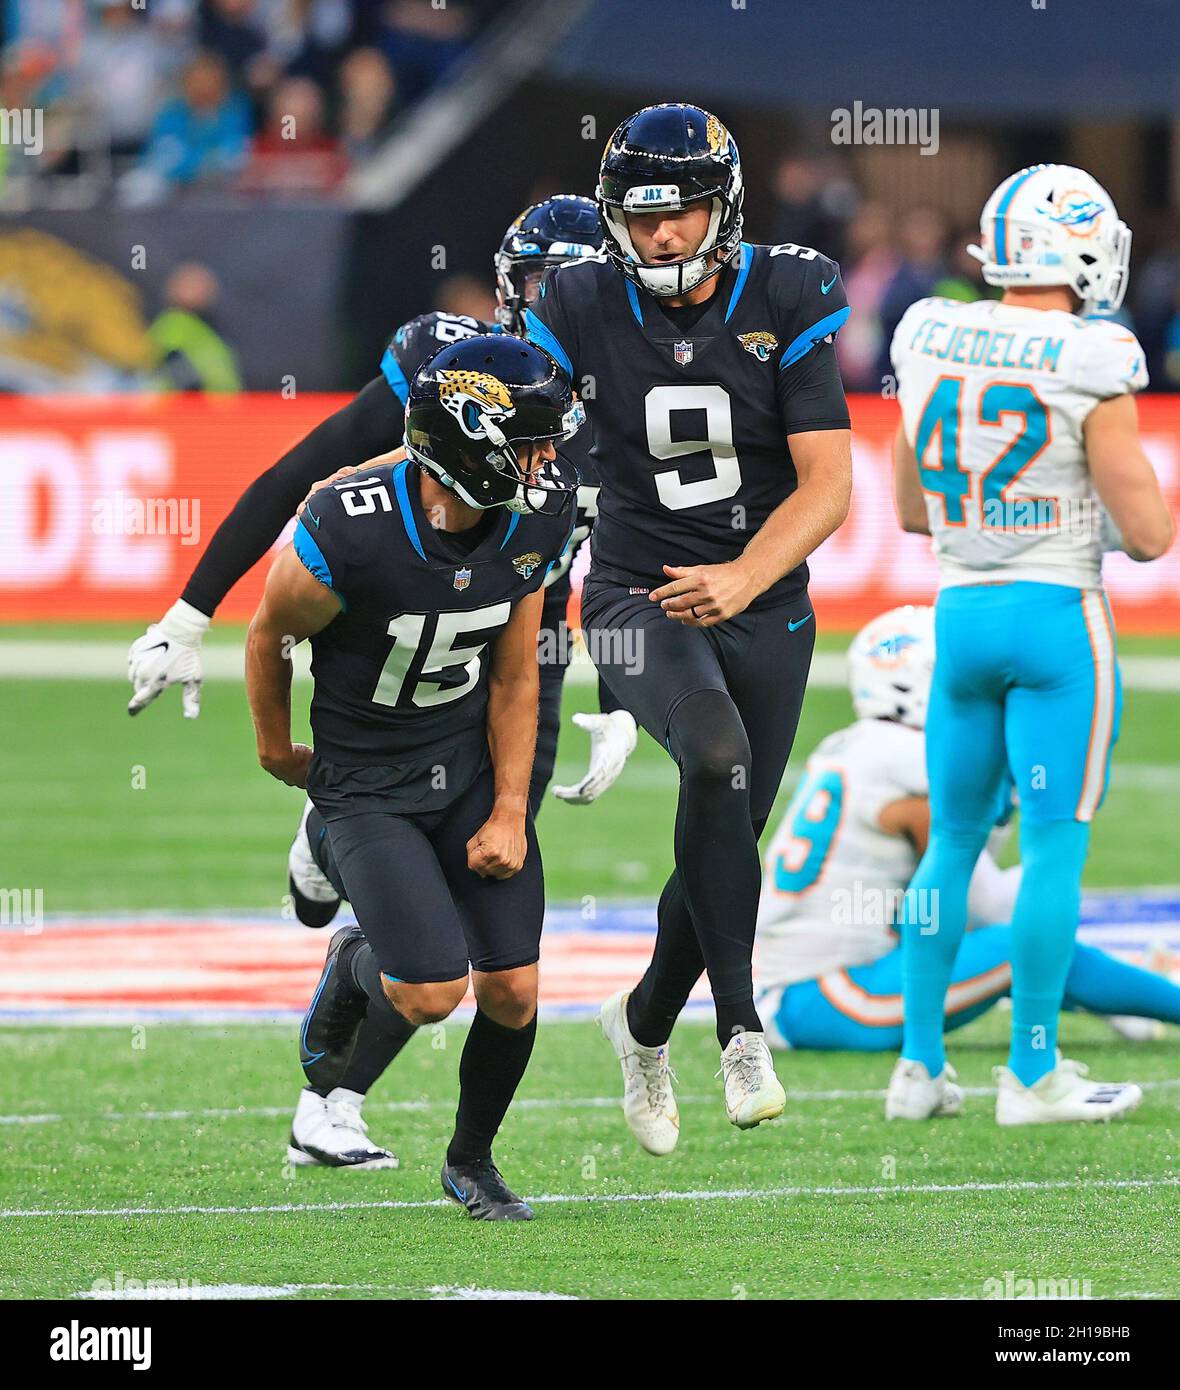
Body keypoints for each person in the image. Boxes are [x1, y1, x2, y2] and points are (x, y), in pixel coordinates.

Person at [526, 103, 852, 1150]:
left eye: (683, 215)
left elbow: (827, 485)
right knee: (715, 760)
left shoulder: (788, 289)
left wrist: (744, 575)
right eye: (642, 218)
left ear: (725, 207)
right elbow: (533, 476)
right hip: (632, 591)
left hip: (764, 593)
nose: (662, 237)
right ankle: (739, 1027)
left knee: (729, 832)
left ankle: (642, 1024)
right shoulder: (577, 299)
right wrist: (574, 668)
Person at [246, 334, 578, 1219]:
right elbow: (267, 636)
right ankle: (353, 959)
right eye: (530, 444)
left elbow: (516, 675)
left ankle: (471, 1162)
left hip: (464, 764)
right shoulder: (346, 528)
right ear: (466, 444)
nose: (547, 465)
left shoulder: (534, 520)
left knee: (512, 991)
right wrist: (279, 753)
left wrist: (511, 807)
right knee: (432, 992)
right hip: (362, 781)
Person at [889, 164, 1174, 1125]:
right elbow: (1148, 536)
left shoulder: (926, 328)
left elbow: (908, 512)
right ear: (1083, 245)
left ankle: (919, 1070)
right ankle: (1032, 1074)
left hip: (959, 618)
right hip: (1055, 621)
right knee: (1054, 849)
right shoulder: (1093, 353)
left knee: (953, 845)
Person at [754, 606, 1180, 1068]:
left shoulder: (856, 746)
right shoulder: (910, 759)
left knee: (1016, 928)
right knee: (1026, 934)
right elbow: (986, 902)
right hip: (826, 996)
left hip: (808, 987)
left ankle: (1128, 1001)